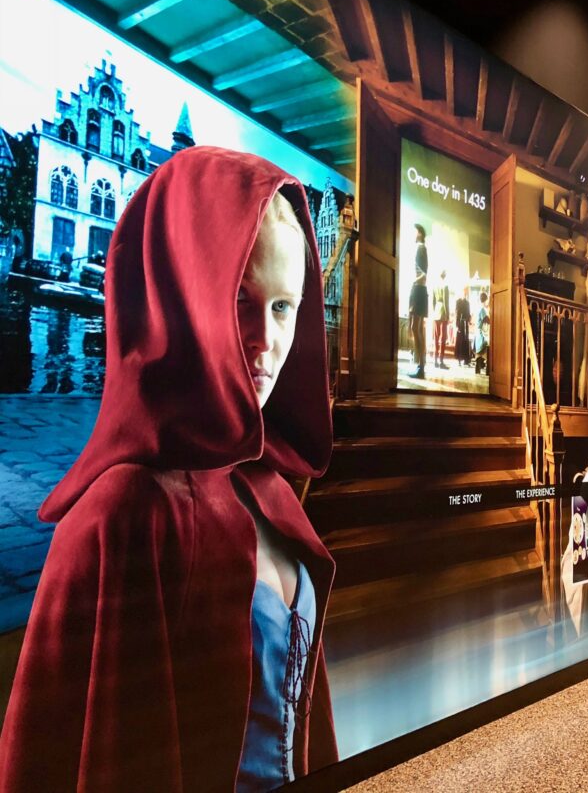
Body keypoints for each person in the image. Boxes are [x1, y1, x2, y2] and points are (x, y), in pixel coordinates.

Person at [0, 147, 338, 791]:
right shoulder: (119, 514)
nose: (266, 341)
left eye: (283, 307)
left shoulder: (267, 487)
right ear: (182, 291)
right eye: (240, 299)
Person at [408, 223, 429, 379]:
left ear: (420, 234)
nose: (413, 234)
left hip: (419, 289)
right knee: (418, 329)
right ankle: (420, 365)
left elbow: (423, 273)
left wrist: (413, 281)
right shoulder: (421, 248)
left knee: (415, 328)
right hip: (420, 290)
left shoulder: (420, 248)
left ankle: (421, 366)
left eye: (415, 232)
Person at [432, 269, 450, 369]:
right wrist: (447, 314)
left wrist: (434, 312)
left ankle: (435, 360)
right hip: (443, 312)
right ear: (445, 275)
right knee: (443, 338)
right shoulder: (445, 286)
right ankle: (441, 361)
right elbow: (446, 302)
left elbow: (433, 302)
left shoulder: (435, 286)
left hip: (436, 312)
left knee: (436, 337)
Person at [454, 286, 472, 366]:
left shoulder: (467, 303)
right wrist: (457, 324)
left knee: (465, 340)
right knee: (460, 340)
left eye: (466, 291)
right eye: (465, 291)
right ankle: (459, 358)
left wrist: (469, 319)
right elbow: (457, 313)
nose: (466, 293)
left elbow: (468, 313)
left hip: (465, 323)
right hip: (460, 323)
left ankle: (465, 359)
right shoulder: (458, 301)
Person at [474, 290, 490, 375]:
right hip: (481, 333)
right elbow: (486, 319)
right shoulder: (482, 309)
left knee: (479, 353)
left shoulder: (478, 308)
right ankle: (487, 370)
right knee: (485, 351)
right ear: (485, 300)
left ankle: (478, 369)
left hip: (477, 332)